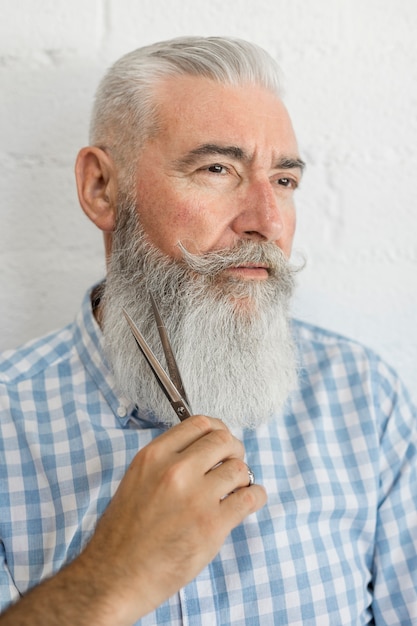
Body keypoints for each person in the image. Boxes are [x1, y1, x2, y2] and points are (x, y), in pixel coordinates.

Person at [0, 35, 416, 626]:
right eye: (217, 169)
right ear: (101, 188)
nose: (267, 223)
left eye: (284, 181)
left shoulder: (365, 401)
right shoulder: (7, 420)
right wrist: (113, 577)